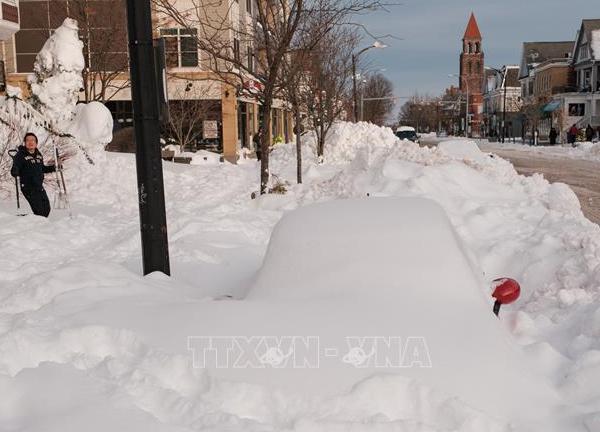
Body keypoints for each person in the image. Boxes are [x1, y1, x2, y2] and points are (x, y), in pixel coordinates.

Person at [10, 132, 56, 217]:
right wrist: (15, 171)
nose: (30, 142)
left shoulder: (39, 155)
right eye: (28, 140)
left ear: (36, 143)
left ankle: (29, 220)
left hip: (39, 186)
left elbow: (42, 169)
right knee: (40, 212)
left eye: (33, 140)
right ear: (25, 143)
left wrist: (54, 168)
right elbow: (14, 169)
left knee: (47, 209)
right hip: (28, 187)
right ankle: (30, 223)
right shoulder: (20, 155)